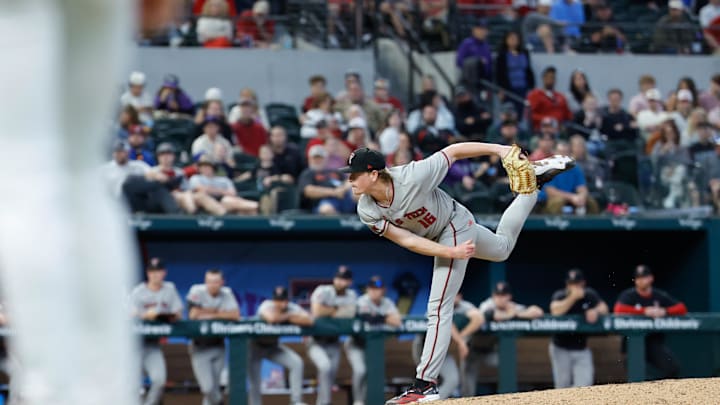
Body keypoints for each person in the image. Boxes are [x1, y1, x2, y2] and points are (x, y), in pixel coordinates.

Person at [342, 142, 574, 404]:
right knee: (502, 249)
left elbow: (453, 151)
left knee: (439, 306)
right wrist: (447, 252)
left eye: (354, 174)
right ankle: (531, 187)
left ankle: (425, 384)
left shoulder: (412, 175)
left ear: (373, 174)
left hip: (453, 223)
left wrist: (499, 150)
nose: (349, 179)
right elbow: (407, 241)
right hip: (444, 236)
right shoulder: (367, 209)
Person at [463, 281, 544, 396]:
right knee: (467, 385)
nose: (500, 299)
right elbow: (491, 315)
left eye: (503, 295)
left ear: (509, 296)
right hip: (472, 350)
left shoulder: (512, 307)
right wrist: (510, 315)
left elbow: (537, 311)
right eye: (498, 295)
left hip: (491, 352)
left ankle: (507, 396)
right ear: (493, 296)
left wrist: (517, 314)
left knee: (507, 361)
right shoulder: (487, 304)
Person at [613, 265, 687, 379]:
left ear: (651, 278)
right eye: (638, 278)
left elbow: (682, 308)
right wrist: (644, 311)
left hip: (652, 342)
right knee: (636, 375)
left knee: (673, 368)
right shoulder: (629, 295)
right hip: (632, 341)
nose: (641, 280)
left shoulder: (658, 295)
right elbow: (618, 309)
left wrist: (664, 311)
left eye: (644, 277)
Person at [129, 258, 184, 405]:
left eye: (158, 271)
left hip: (152, 345)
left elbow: (178, 312)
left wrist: (161, 314)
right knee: (132, 386)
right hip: (134, 345)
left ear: (164, 273)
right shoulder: (138, 291)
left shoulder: (169, 289)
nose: (155, 275)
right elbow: (131, 314)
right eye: (152, 271)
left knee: (159, 380)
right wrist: (146, 315)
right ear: (147, 273)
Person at [251, 286, 313, 405]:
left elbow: (309, 320)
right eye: (277, 300)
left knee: (296, 363)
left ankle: (296, 401)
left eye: (283, 300)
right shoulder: (266, 305)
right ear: (273, 300)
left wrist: (288, 315)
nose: (280, 304)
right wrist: (290, 317)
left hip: (273, 346)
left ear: (287, 300)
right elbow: (272, 318)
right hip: (254, 346)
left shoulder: (291, 307)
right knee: (255, 381)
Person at [186, 269, 241, 405]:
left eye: (216, 282)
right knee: (208, 388)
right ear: (205, 282)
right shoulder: (197, 291)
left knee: (214, 388)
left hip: (218, 345)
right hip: (199, 346)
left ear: (222, 282)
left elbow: (235, 315)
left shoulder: (226, 293)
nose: (212, 285)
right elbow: (193, 315)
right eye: (209, 281)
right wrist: (219, 312)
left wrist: (207, 313)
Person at [549, 268, 608, 388]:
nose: (574, 287)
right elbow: (555, 311)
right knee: (562, 387)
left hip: (582, 348)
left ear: (583, 283)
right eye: (571, 284)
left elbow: (604, 308)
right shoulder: (560, 295)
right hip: (560, 347)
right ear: (567, 284)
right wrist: (572, 298)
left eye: (576, 283)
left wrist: (595, 311)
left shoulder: (589, 294)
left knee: (584, 386)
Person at [308, 266, 359, 405]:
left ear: (350, 282)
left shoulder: (352, 295)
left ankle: (325, 402)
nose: (340, 282)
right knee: (325, 367)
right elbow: (317, 312)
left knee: (330, 375)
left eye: (344, 279)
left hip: (334, 341)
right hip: (316, 341)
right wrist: (339, 310)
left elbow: (351, 314)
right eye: (338, 278)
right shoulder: (323, 290)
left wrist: (329, 311)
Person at [350, 276, 402, 404]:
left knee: (373, 373)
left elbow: (397, 322)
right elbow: (368, 318)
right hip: (357, 344)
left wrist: (380, 317)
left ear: (383, 290)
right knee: (360, 370)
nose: (374, 291)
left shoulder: (387, 302)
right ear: (367, 289)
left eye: (378, 289)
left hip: (374, 347)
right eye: (372, 288)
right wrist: (385, 317)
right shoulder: (362, 301)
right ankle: (358, 401)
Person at [539, 141, 600, 214]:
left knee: (590, 202)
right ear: (555, 153)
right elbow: (551, 192)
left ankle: (591, 224)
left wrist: (582, 197)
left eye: (566, 153)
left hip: (571, 198)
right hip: (549, 199)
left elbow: (582, 188)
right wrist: (572, 197)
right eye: (560, 152)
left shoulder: (575, 168)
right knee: (558, 202)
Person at [188, 158, 259, 215]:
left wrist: (214, 191)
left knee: (241, 207)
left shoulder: (224, 179)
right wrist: (222, 191)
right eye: (202, 167)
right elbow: (201, 190)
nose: (205, 168)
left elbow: (233, 193)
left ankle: (258, 207)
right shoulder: (196, 178)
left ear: (213, 167)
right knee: (201, 196)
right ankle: (224, 216)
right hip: (206, 204)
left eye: (207, 166)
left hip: (226, 202)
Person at [298, 145, 356, 215]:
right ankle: (341, 224)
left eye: (320, 158)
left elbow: (350, 180)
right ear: (309, 159)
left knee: (357, 192)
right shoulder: (307, 173)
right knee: (326, 209)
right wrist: (334, 192)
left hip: (344, 196)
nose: (317, 160)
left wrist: (343, 188)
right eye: (315, 158)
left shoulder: (334, 172)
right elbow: (308, 190)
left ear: (326, 159)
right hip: (322, 202)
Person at [494, 31, 535, 117]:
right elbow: (499, 73)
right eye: (511, 38)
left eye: (515, 38)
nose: (513, 40)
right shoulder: (502, 55)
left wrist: (531, 87)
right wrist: (500, 90)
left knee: (521, 112)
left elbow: (528, 70)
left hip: (523, 88)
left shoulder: (525, 53)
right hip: (509, 89)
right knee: (509, 112)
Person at [151, 143, 197, 214]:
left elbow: (187, 189)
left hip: (180, 198)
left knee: (194, 195)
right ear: (158, 157)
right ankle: (193, 216)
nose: (165, 157)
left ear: (173, 156)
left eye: (168, 154)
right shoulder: (153, 171)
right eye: (162, 154)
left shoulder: (179, 172)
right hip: (160, 200)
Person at [527, 66, 573, 131]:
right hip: (542, 130)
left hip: (560, 129)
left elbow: (568, 114)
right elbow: (530, 115)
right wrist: (548, 119)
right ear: (543, 78)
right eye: (548, 77)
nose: (550, 80)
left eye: (553, 77)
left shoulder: (561, 96)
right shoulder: (535, 95)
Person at [456, 19, 493, 91]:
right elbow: (459, 62)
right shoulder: (467, 43)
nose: (483, 32)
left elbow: (489, 66)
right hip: (469, 83)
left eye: (485, 29)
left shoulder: (486, 46)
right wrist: (477, 61)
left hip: (484, 83)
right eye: (480, 29)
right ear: (474, 30)